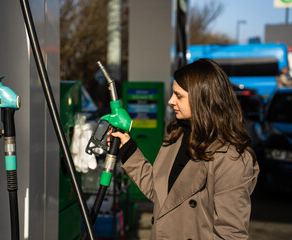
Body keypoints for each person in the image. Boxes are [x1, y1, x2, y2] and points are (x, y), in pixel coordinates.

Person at [110, 58, 259, 239]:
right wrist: (128, 149)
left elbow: (231, 233)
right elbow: (160, 194)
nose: (171, 101)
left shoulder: (231, 158)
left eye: (178, 96)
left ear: (203, 98)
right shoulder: (177, 137)